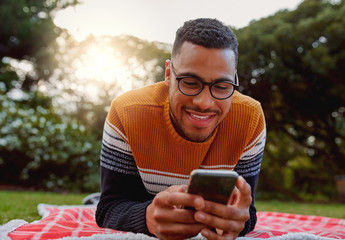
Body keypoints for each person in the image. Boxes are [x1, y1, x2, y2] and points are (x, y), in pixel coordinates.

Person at [96, 18, 266, 240]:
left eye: (222, 87)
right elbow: (109, 206)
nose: (204, 103)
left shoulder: (250, 119)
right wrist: (146, 217)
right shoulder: (126, 112)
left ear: (233, 81)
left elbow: (246, 210)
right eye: (190, 82)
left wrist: (238, 222)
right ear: (169, 74)